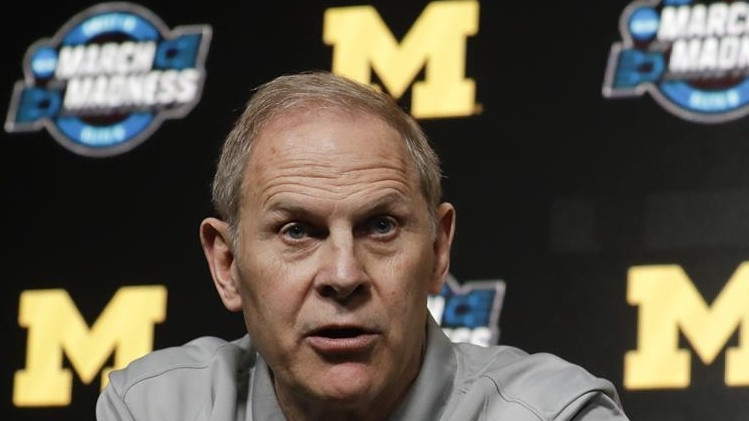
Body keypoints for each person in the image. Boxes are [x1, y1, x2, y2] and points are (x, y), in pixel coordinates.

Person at [95, 70, 630, 421]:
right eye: (297, 231)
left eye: (380, 227)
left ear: (439, 250)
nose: (344, 275)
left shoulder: (553, 414)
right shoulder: (153, 408)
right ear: (227, 264)